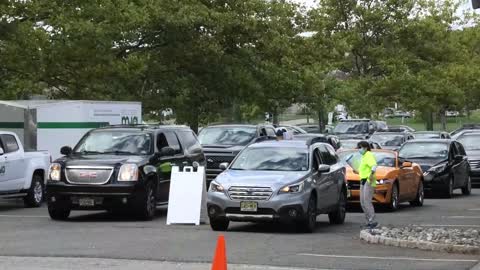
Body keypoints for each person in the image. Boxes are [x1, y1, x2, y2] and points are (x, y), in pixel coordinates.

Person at [355, 141, 378, 229]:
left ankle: (373, 220)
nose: (359, 149)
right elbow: (364, 170)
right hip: (363, 180)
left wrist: (371, 175)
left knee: (367, 201)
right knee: (362, 202)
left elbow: (374, 165)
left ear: (365, 147)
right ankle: (369, 220)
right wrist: (357, 171)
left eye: (360, 147)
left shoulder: (368, 155)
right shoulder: (364, 156)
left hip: (369, 181)